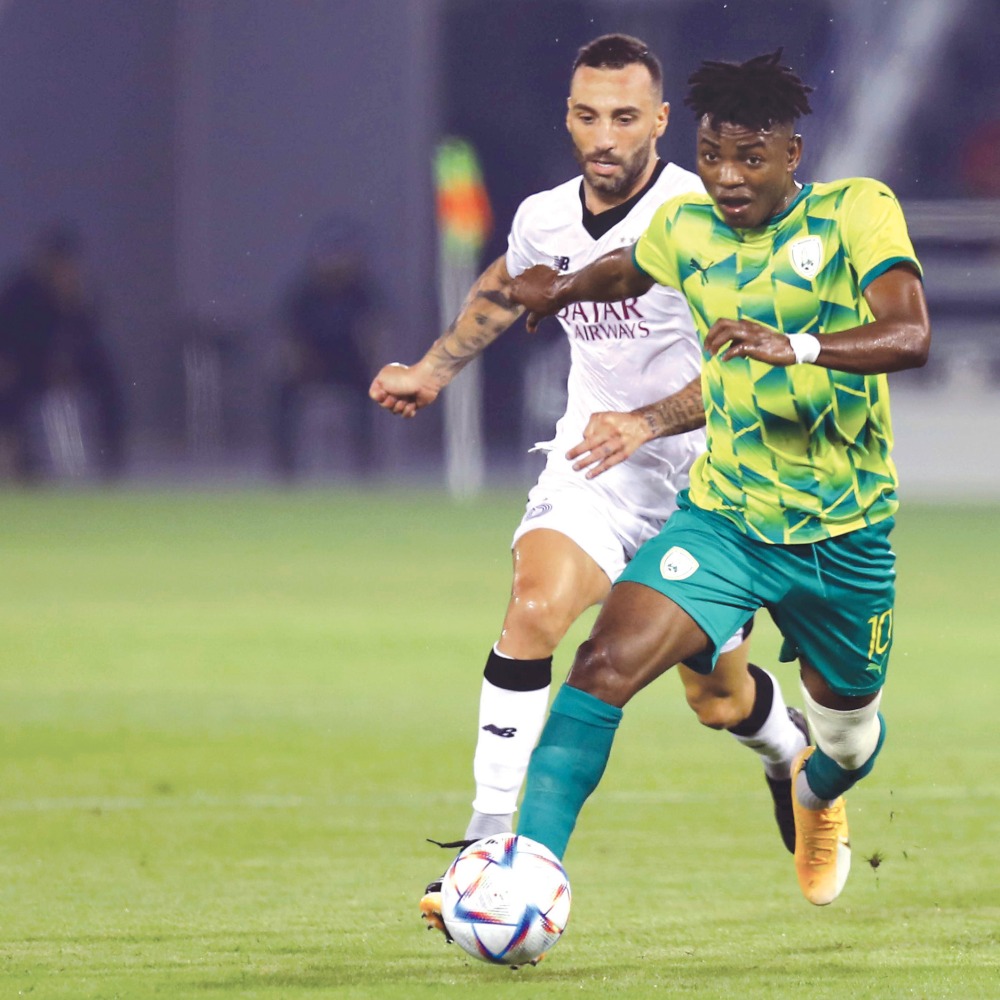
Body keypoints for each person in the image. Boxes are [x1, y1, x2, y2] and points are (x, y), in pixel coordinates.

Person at [369, 35, 810, 933]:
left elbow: (748, 370)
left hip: (707, 493)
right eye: (585, 115)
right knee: (535, 606)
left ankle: (787, 748)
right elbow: (508, 285)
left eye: (622, 117)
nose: (602, 136)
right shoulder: (543, 215)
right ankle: (488, 843)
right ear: (568, 117)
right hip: (590, 470)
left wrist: (648, 422)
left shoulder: (707, 214)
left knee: (716, 698)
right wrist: (432, 368)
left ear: (659, 122)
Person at [508, 50, 931, 907]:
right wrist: (558, 288)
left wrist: (799, 346)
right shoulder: (688, 226)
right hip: (726, 521)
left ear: (792, 158)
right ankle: (523, 874)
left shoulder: (857, 213)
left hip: (844, 538)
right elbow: (628, 271)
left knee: (848, 734)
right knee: (601, 665)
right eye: (711, 158)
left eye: (750, 159)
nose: (727, 178)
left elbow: (910, 334)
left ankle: (815, 792)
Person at [0, 223, 126, 480]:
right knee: (11, 394)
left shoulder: (80, 293)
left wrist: (71, 304)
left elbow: (89, 338)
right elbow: (10, 337)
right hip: (26, 367)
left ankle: (112, 453)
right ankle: (21, 461)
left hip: (66, 365)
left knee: (108, 378)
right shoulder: (21, 292)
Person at [271, 216, 379, 479]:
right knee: (282, 393)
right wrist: (293, 361)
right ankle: (285, 467)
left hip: (350, 364)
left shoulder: (361, 291)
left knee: (373, 393)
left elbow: (375, 329)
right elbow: (288, 334)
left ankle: (366, 465)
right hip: (311, 363)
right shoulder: (304, 293)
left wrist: (376, 359)